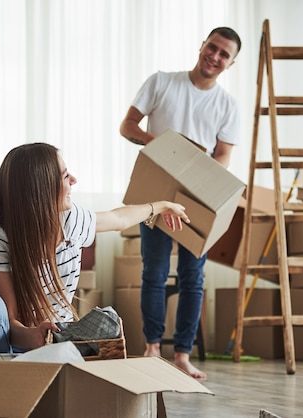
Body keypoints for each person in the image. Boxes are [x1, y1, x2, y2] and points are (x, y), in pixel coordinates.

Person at [0, 143, 190, 355]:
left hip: (56, 338)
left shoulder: (71, 220)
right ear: (40, 187)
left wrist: (162, 206)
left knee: (108, 319)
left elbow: (118, 219)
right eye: (64, 176)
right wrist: (33, 336)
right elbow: (9, 322)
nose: (74, 180)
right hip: (11, 340)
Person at [119, 27, 242, 379]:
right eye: (212, 47)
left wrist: (199, 180)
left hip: (197, 200)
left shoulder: (227, 105)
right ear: (202, 45)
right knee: (153, 273)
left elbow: (222, 155)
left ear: (231, 64)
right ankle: (153, 347)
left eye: (224, 54)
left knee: (193, 277)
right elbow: (127, 125)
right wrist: (160, 145)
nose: (214, 57)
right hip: (156, 193)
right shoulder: (161, 82)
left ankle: (183, 356)